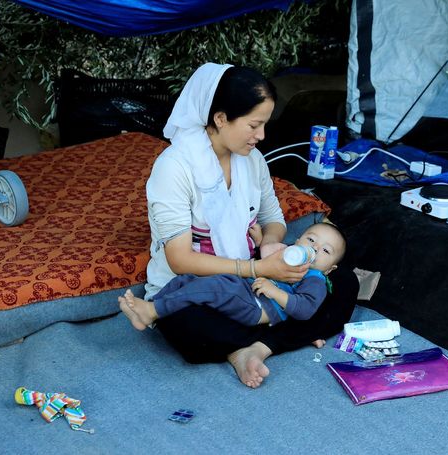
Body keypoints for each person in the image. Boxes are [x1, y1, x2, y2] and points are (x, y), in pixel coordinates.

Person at [132, 62, 358, 388]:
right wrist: (258, 270)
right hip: (195, 285)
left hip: (257, 282)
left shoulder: (252, 160)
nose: (262, 136)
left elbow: (274, 221)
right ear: (221, 118)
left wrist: (269, 246)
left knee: (344, 282)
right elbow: (179, 260)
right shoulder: (174, 168)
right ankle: (278, 337)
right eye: (254, 125)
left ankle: (256, 346)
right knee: (188, 326)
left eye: (265, 124)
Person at [119, 222, 345, 329]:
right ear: (297, 242)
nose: (314, 249)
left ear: (329, 269)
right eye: (311, 240)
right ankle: (156, 308)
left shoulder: (315, 279)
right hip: (244, 288)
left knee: (214, 288)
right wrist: (260, 242)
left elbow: (305, 310)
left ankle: (151, 311)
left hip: (259, 306)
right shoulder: (287, 253)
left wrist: (276, 293)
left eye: (325, 251)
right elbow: (264, 259)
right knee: (188, 280)